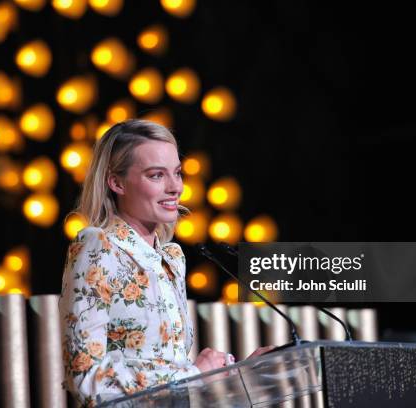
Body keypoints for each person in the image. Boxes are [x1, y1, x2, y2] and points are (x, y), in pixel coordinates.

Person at [59, 119, 273, 407]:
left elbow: (178, 381)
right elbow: (86, 378)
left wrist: (238, 374)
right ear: (116, 182)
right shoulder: (98, 246)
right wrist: (194, 374)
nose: (176, 187)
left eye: (177, 173)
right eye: (156, 175)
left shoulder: (171, 258)